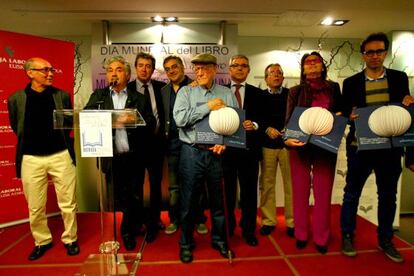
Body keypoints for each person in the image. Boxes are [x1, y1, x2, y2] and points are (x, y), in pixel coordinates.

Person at [340, 32, 414, 262]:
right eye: (369, 52)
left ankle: (385, 239)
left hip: (390, 149)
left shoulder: (400, 78)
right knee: (352, 194)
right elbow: (344, 113)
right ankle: (347, 235)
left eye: (379, 51)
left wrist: (409, 105)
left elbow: (407, 116)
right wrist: (349, 116)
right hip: (360, 148)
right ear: (363, 55)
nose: (374, 56)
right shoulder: (350, 83)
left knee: (388, 195)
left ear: (385, 53)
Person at [8, 57, 79, 260]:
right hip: (30, 158)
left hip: (60, 155)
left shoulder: (62, 96)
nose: (50, 73)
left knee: (68, 202)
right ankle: (42, 241)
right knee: (35, 206)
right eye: (44, 70)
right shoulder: (16, 99)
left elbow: (67, 124)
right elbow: (16, 126)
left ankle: (71, 239)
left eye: (51, 69)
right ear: (30, 72)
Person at [84, 56, 154, 250]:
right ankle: (128, 227)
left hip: (133, 156)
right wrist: (111, 119)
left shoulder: (138, 98)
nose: (113, 74)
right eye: (110, 70)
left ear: (128, 74)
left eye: (119, 70)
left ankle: (128, 230)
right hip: (111, 157)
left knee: (135, 195)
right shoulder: (98, 97)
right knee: (119, 198)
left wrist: (130, 120)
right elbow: (87, 119)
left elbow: (150, 124)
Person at [173, 53, 237, 263]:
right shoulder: (185, 92)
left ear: (214, 70)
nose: (199, 72)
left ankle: (219, 240)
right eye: (196, 69)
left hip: (217, 153)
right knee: (189, 201)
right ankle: (186, 243)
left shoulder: (226, 93)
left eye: (204, 69)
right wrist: (206, 107)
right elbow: (180, 120)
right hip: (191, 152)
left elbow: (235, 125)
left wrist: (224, 142)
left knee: (219, 201)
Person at [284, 52, 343, 254]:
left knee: (323, 193)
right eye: (307, 63)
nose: (311, 65)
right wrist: (287, 139)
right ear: (302, 68)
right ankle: (301, 234)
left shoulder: (334, 88)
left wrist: (340, 117)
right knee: (300, 192)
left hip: (325, 147)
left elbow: (341, 114)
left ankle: (321, 237)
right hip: (299, 147)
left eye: (315, 61)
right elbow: (289, 119)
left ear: (322, 66)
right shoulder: (294, 91)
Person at [161, 55, 208, 235]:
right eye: (167, 69)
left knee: (197, 184)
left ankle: (199, 219)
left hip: (193, 144)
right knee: (174, 188)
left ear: (182, 67)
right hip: (172, 146)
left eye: (174, 66)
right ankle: (175, 219)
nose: (171, 70)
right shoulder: (164, 90)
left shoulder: (197, 85)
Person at [222, 54, 262, 246]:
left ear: (248, 70)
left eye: (243, 66)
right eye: (235, 65)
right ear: (229, 70)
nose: (239, 68)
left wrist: (254, 124)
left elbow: (264, 120)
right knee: (227, 193)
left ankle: (248, 230)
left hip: (249, 151)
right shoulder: (219, 93)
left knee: (249, 194)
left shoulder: (257, 93)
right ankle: (227, 228)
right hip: (226, 151)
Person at [127, 52, 166, 242]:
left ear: (153, 69)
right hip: (134, 147)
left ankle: (154, 221)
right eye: (141, 65)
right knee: (135, 187)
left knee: (156, 186)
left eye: (148, 66)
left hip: (156, 145)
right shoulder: (126, 89)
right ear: (135, 67)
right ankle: (137, 221)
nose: (144, 69)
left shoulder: (161, 88)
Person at [259, 63, 294, 238]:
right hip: (267, 146)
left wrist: (290, 129)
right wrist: (266, 128)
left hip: (288, 145)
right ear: (266, 78)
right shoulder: (260, 96)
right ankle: (268, 221)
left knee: (291, 185)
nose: (276, 75)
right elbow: (255, 118)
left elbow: (297, 117)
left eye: (279, 72)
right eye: (272, 73)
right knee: (267, 185)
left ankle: (292, 222)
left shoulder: (291, 95)